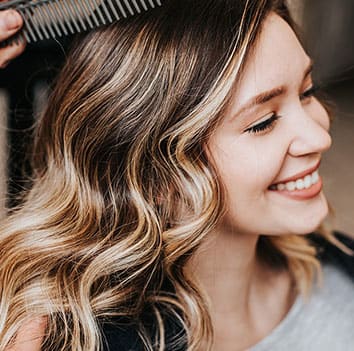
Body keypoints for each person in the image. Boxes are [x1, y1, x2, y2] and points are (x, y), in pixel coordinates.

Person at [1, 0, 354, 350]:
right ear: (151, 173)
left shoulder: (343, 280)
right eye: (263, 122)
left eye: (307, 92)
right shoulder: (63, 340)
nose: (319, 136)